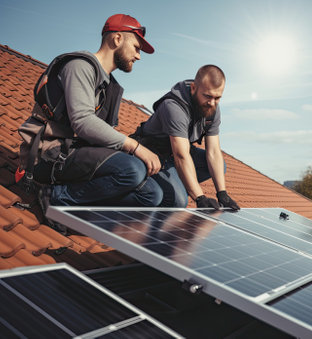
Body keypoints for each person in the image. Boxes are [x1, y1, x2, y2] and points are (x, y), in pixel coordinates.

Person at [17, 14, 164, 222]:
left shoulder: (110, 87)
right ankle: (57, 198)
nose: (139, 56)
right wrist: (135, 147)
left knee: (152, 194)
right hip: (48, 154)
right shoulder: (80, 66)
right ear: (117, 39)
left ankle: (80, 209)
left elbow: (106, 136)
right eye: (136, 47)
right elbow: (83, 121)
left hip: (77, 153)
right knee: (131, 169)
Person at [131, 65, 240, 210]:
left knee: (221, 166)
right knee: (178, 201)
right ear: (194, 88)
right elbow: (181, 156)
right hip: (154, 155)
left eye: (217, 97)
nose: (212, 103)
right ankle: (156, 189)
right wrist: (199, 197)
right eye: (207, 96)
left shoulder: (212, 109)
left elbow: (213, 152)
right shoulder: (174, 106)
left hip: (177, 152)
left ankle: (177, 185)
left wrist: (222, 194)